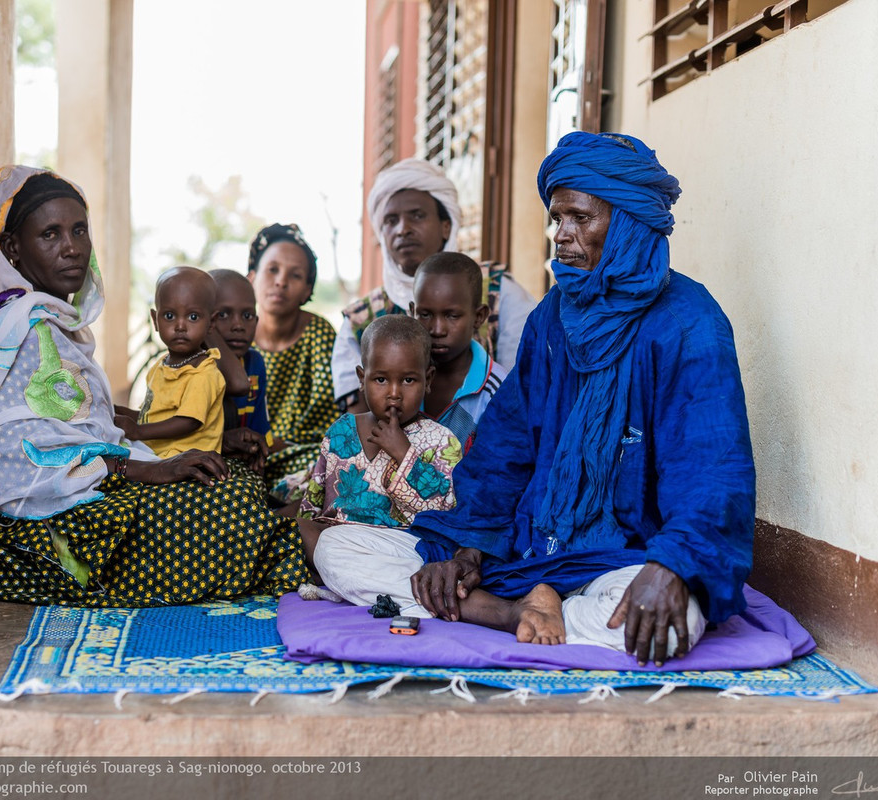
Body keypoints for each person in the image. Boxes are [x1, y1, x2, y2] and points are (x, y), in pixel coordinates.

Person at [320, 133, 754, 666]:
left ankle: (518, 612)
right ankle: (519, 611)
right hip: (527, 552)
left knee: (673, 621)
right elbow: (505, 449)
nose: (562, 237)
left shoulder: (691, 323)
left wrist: (672, 568)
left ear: (627, 222)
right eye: (557, 220)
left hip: (625, 558)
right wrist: (465, 549)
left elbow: (712, 470)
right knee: (338, 549)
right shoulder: (552, 318)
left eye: (580, 219)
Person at [0, 166, 307, 605]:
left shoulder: (55, 327)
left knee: (230, 484)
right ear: (12, 250)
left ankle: (293, 539)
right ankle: (303, 544)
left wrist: (188, 445)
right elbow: (2, 460)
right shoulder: (10, 334)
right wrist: (144, 469)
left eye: (79, 230)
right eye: (51, 235)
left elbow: (82, 425)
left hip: (80, 498)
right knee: (224, 507)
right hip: (43, 536)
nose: (72, 248)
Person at [332, 158, 536, 413]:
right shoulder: (359, 321)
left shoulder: (498, 291)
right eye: (391, 221)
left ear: (445, 226)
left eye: (417, 216)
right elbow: (360, 424)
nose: (403, 229)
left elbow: (524, 388)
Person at [303, 315, 463, 610]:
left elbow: (445, 514)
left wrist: (404, 453)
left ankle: (406, 594)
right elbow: (314, 503)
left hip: (403, 550)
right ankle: (396, 594)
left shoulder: (441, 441)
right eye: (380, 379)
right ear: (361, 378)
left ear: (428, 380)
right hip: (343, 546)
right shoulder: (341, 431)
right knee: (307, 533)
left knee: (431, 556)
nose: (393, 393)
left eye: (408, 380)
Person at [246, 223, 339, 501]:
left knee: (330, 466)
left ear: (307, 289)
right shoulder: (233, 337)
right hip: (245, 452)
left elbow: (328, 419)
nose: (281, 281)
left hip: (302, 452)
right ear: (252, 277)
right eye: (272, 270)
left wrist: (277, 445)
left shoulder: (319, 333)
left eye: (295, 275)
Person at [116, 265, 249, 458]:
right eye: (169, 316)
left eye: (193, 317)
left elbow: (188, 421)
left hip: (187, 461)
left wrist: (137, 431)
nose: (180, 326)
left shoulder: (204, 373)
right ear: (155, 320)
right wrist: (119, 413)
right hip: (158, 453)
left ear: (211, 323)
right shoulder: (161, 366)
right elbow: (153, 417)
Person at [411, 252, 509, 452]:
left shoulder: (497, 390)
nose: (437, 329)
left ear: (478, 316)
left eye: (452, 316)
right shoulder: (399, 376)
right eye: (425, 314)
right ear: (412, 311)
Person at [209, 268, 271, 472]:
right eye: (223, 314)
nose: (238, 325)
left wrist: (258, 454)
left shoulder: (254, 363)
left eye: (247, 315)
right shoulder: (190, 365)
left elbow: (259, 431)